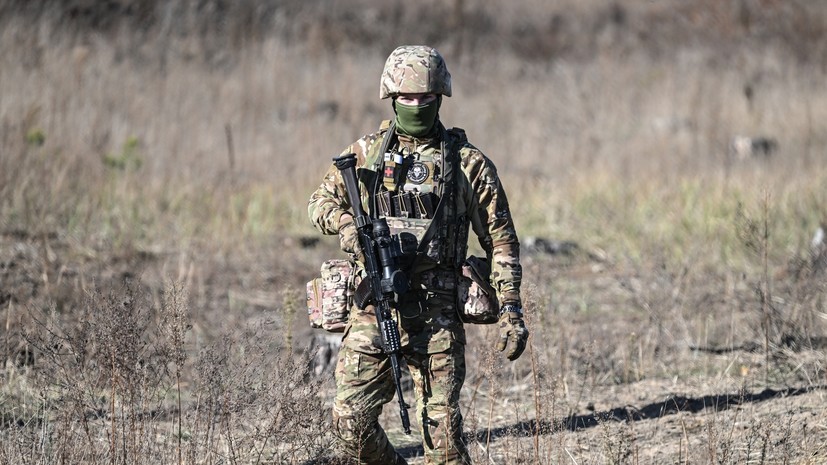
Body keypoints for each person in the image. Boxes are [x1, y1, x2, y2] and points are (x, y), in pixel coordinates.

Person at [308, 45, 528, 465]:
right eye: (406, 97)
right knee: (349, 424)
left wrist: (512, 309)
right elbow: (318, 203)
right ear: (391, 97)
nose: (416, 105)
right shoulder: (365, 154)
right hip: (376, 309)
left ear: (440, 98)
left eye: (425, 98)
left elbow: (501, 240)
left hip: (437, 313)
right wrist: (347, 225)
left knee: (443, 444)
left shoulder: (468, 164)